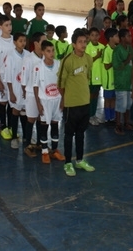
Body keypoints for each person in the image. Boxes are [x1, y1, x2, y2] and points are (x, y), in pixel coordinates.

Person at [58, 29, 95, 177]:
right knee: (69, 134)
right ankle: (68, 162)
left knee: (81, 133)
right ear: (73, 44)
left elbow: (88, 78)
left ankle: (79, 160)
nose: (83, 44)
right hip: (71, 104)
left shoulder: (88, 59)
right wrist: (64, 100)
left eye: (85, 42)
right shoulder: (67, 60)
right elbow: (61, 83)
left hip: (84, 102)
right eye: (80, 42)